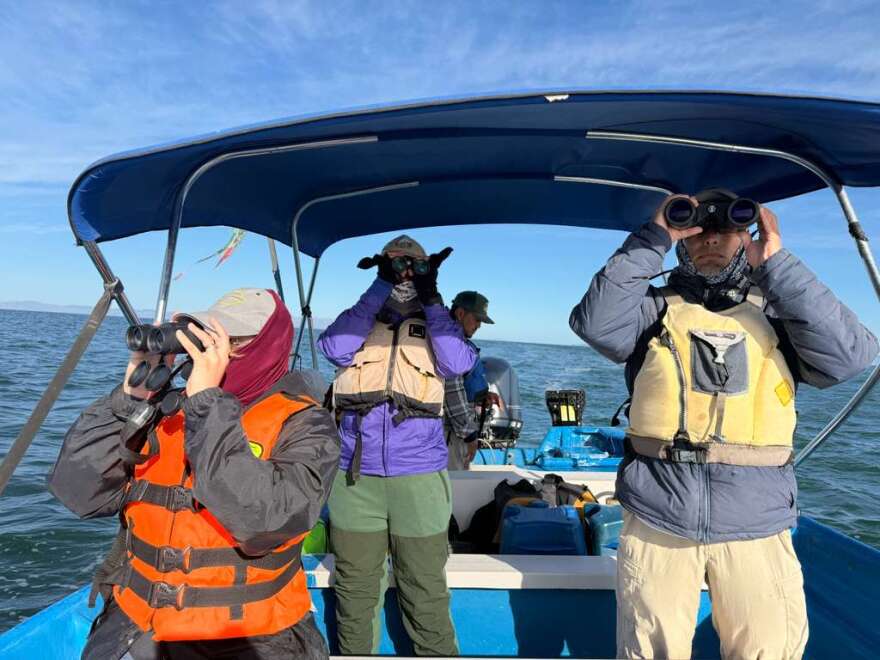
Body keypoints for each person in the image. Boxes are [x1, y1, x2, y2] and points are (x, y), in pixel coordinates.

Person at [569, 189, 879, 659]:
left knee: (767, 650)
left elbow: (850, 357)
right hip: (659, 516)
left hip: (758, 520)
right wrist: (653, 235)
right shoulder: (653, 310)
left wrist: (776, 263)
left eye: (727, 227)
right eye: (696, 228)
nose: (710, 237)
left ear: (747, 235)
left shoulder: (780, 312)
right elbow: (595, 324)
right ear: (681, 241)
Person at [48, 288, 340, 660]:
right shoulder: (167, 411)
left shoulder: (305, 424)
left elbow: (266, 522)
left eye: (228, 341)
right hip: (138, 623)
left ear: (266, 346)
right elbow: (79, 493)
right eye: (201, 338)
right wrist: (128, 402)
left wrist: (207, 405)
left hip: (250, 634)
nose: (205, 352)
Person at [319, 234, 476, 656]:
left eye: (414, 265)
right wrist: (379, 288)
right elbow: (334, 349)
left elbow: (457, 361)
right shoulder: (361, 314)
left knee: (425, 592)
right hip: (355, 478)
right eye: (396, 264)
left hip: (420, 477)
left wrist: (431, 295)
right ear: (381, 266)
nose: (406, 271)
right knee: (354, 593)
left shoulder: (436, 317)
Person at [445, 290, 495, 470]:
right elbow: (451, 392)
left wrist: (482, 395)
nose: (479, 326)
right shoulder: (450, 346)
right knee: (454, 487)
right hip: (451, 435)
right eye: (477, 319)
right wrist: (470, 436)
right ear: (460, 314)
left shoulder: (456, 343)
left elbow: (462, 384)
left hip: (455, 432)